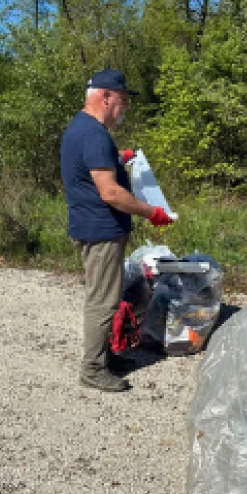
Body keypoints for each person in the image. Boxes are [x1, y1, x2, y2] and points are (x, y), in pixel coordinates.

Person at [61, 69, 172, 392]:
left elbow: (90, 168)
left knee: (107, 296)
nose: (124, 108)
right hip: (100, 231)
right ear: (105, 97)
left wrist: (117, 158)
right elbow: (109, 193)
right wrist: (152, 213)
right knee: (103, 301)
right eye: (122, 101)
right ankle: (93, 369)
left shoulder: (80, 128)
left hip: (93, 226)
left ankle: (106, 357)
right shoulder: (94, 134)